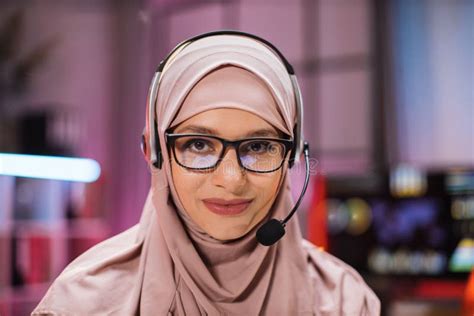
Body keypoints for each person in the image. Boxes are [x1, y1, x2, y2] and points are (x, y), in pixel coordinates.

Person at [32, 31, 380, 315]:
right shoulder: (80, 303)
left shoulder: (346, 302)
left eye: (258, 147)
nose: (230, 179)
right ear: (155, 153)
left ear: (290, 157)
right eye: (198, 145)